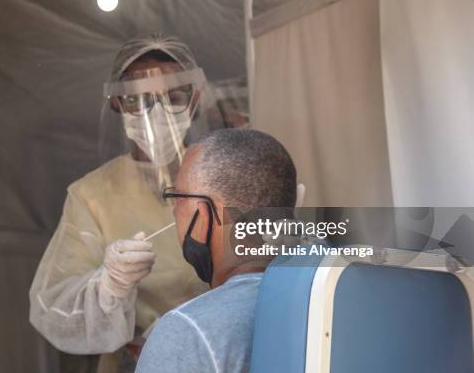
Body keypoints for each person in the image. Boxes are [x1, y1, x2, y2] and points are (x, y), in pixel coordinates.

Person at [29, 34, 235, 371]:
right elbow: (53, 307)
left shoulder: (225, 177)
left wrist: (276, 222)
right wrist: (110, 285)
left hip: (222, 357)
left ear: (195, 99)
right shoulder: (92, 194)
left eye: (173, 97)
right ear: (116, 103)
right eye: (137, 101)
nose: (156, 113)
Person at [135, 128, 305, 373]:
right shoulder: (333, 293)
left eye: (178, 197)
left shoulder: (187, 331)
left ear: (202, 214)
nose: (174, 212)